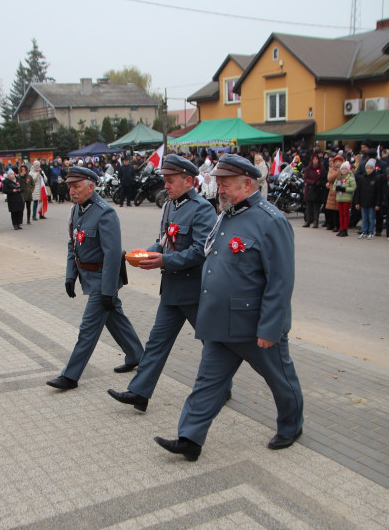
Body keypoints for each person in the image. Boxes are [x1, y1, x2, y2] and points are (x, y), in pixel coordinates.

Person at [153, 154, 303, 462]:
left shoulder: (271, 221)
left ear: (248, 184)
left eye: (225, 185)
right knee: (207, 382)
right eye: (218, 184)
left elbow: (280, 281)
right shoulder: (226, 214)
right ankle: (190, 438)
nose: (219, 190)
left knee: (279, 378)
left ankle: (291, 425)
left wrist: (270, 327)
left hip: (253, 324)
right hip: (221, 322)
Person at [107, 154, 218, 413]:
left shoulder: (202, 208)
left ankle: (220, 386)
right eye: (164, 181)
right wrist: (146, 254)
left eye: (170, 181)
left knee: (211, 344)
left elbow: (201, 250)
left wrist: (164, 261)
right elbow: (164, 241)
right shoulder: (169, 205)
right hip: (171, 290)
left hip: (193, 291)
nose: (165, 186)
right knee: (157, 341)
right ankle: (139, 392)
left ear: (189, 180)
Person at [46, 166, 144, 391]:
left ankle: (70, 376)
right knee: (113, 316)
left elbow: (112, 254)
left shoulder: (105, 212)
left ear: (91, 186)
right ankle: (136, 355)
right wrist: (70, 275)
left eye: (76, 186)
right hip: (88, 276)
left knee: (88, 328)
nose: (72, 190)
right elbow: (73, 244)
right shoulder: (76, 210)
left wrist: (108, 290)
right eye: (70, 186)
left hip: (103, 278)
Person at [353, 158, 383, 239]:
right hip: (363, 201)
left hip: (372, 202)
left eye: (371, 168)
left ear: (373, 169)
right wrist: (357, 202)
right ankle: (364, 231)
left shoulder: (377, 178)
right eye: (367, 168)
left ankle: (371, 232)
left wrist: (378, 204)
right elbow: (358, 191)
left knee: (371, 218)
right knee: (364, 218)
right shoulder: (362, 178)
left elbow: (379, 192)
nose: (369, 170)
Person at [334, 161, 356, 237]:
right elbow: (334, 187)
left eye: (345, 169)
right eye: (342, 169)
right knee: (340, 214)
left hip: (346, 198)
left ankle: (345, 229)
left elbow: (353, 187)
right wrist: (337, 188)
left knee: (345, 214)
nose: (343, 170)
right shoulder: (338, 178)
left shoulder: (350, 178)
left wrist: (344, 189)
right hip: (339, 198)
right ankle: (341, 228)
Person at [302, 153, 324, 228]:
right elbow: (305, 178)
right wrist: (312, 182)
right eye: (314, 159)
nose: (315, 161)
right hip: (310, 189)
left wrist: (318, 182)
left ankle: (316, 221)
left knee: (316, 207)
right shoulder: (308, 168)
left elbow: (322, 177)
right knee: (308, 206)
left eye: (317, 159)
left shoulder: (321, 168)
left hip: (317, 189)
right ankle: (308, 221)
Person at [325, 154, 342, 232]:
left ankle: (340, 226)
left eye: (340, 161)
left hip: (341, 192)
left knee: (339, 210)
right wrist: (337, 172)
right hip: (332, 192)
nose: (338, 163)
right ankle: (333, 225)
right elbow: (330, 178)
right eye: (337, 161)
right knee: (333, 210)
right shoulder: (332, 170)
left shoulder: (345, 169)